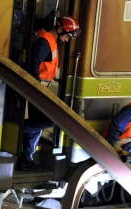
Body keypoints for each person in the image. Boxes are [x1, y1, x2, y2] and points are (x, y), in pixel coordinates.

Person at [15, 15, 81, 172]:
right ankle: (13, 128)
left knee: (37, 125)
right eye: (66, 36)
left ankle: (26, 159)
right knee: (49, 120)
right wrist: (34, 87)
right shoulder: (45, 41)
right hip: (36, 90)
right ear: (59, 29)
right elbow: (33, 63)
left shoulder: (50, 40)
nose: (66, 40)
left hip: (40, 89)